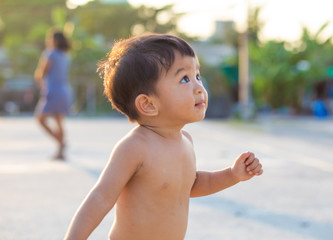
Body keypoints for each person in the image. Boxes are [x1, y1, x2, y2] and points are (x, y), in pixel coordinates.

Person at [64, 33, 263, 240]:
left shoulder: (186, 141)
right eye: (184, 79)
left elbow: (192, 185)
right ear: (148, 104)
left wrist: (232, 174)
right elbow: (101, 198)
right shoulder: (135, 147)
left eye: (197, 75)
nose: (198, 88)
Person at [34, 29, 71, 160]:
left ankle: (61, 143)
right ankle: (61, 150)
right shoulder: (65, 55)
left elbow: (41, 74)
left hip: (53, 91)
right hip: (65, 91)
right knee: (59, 121)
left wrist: (39, 82)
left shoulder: (50, 54)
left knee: (40, 119)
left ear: (54, 40)